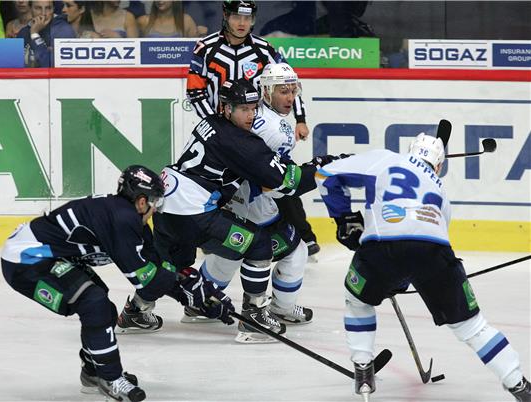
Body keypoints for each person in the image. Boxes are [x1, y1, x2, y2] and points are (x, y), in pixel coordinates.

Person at [315, 133, 531, 401]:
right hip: (434, 252)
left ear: (410, 150)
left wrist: (344, 218)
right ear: (439, 166)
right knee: (473, 327)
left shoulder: (385, 159)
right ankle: (519, 385)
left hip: (380, 249)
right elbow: (431, 243)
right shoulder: (440, 190)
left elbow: (325, 175)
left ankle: (362, 369)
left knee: (357, 301)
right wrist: (407, 277)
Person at [118, 79, 334, 340]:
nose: (250, 115)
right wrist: (325, 167)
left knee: (172, 266)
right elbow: (289, 182)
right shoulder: (240, 142)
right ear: (226, 108)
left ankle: (135, 311)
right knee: (257, 244)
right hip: (194, 212)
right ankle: (255, 315)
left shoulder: (209, 122)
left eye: (254, 108)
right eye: (243, 109)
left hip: (167, 206)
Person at [1, 165, 234, 401]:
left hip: (53, 257)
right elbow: (148, 282)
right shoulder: (122, 218)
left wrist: (198, 292)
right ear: (142, 201)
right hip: (26, 261)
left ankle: (94, 370)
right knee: (94, 302)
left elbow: (158, 265)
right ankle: (110, 377)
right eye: (155, 202)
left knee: (104, 308)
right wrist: (186, 288)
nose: (156, 209)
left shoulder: (129, 217)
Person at [192, 64, 335, 342]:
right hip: (254, 203)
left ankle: (199, 301)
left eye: (293, 90)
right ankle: (276, 309)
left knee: (228, 255)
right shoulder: (275, 128)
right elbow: (276, 183)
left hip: (225, 200)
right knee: (294, 250)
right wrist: (315, 172)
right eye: (283, 91)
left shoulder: (255, 116)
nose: (290, 97)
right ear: (266, 91)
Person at [187, 0, 321, 259]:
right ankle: (213, 236)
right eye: (237, 17)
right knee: (215, 182)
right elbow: (195, 91)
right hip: (221, 133)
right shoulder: (205, 48)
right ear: (226, 15)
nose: (242, 23)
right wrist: (216, 128)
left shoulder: (264, 49)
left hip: (259, 129)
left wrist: (300, 118)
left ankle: (305, 235)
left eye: (248, 19)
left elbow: (291, 82)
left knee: (282, 176)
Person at [17, 0, 76, 67]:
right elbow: (14, 66)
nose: (43, 13)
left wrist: (35, 35)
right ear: (30, 9)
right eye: (38, 8)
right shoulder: (23, 32)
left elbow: (48, 66)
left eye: (48, 8)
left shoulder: (64, 30)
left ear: (53, 9)